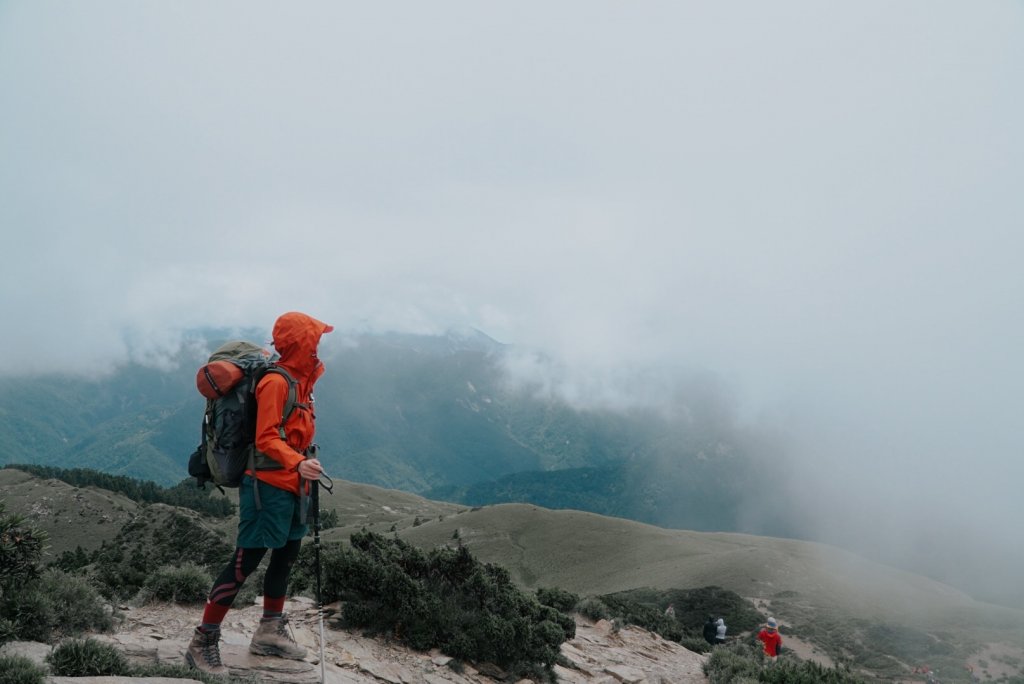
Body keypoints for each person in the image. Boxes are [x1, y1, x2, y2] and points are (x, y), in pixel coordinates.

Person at [186, 312, 333, 675]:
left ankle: (269, 631)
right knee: (244, 563)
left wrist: (300, 465)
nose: (318, 346)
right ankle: (202, 642)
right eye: (314, 339)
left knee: (285, 557)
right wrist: (297, 463)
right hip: (265, 487)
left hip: (294, 486)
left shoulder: (303, 382)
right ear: (301, 343)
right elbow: (266, 437)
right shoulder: (276, 383)